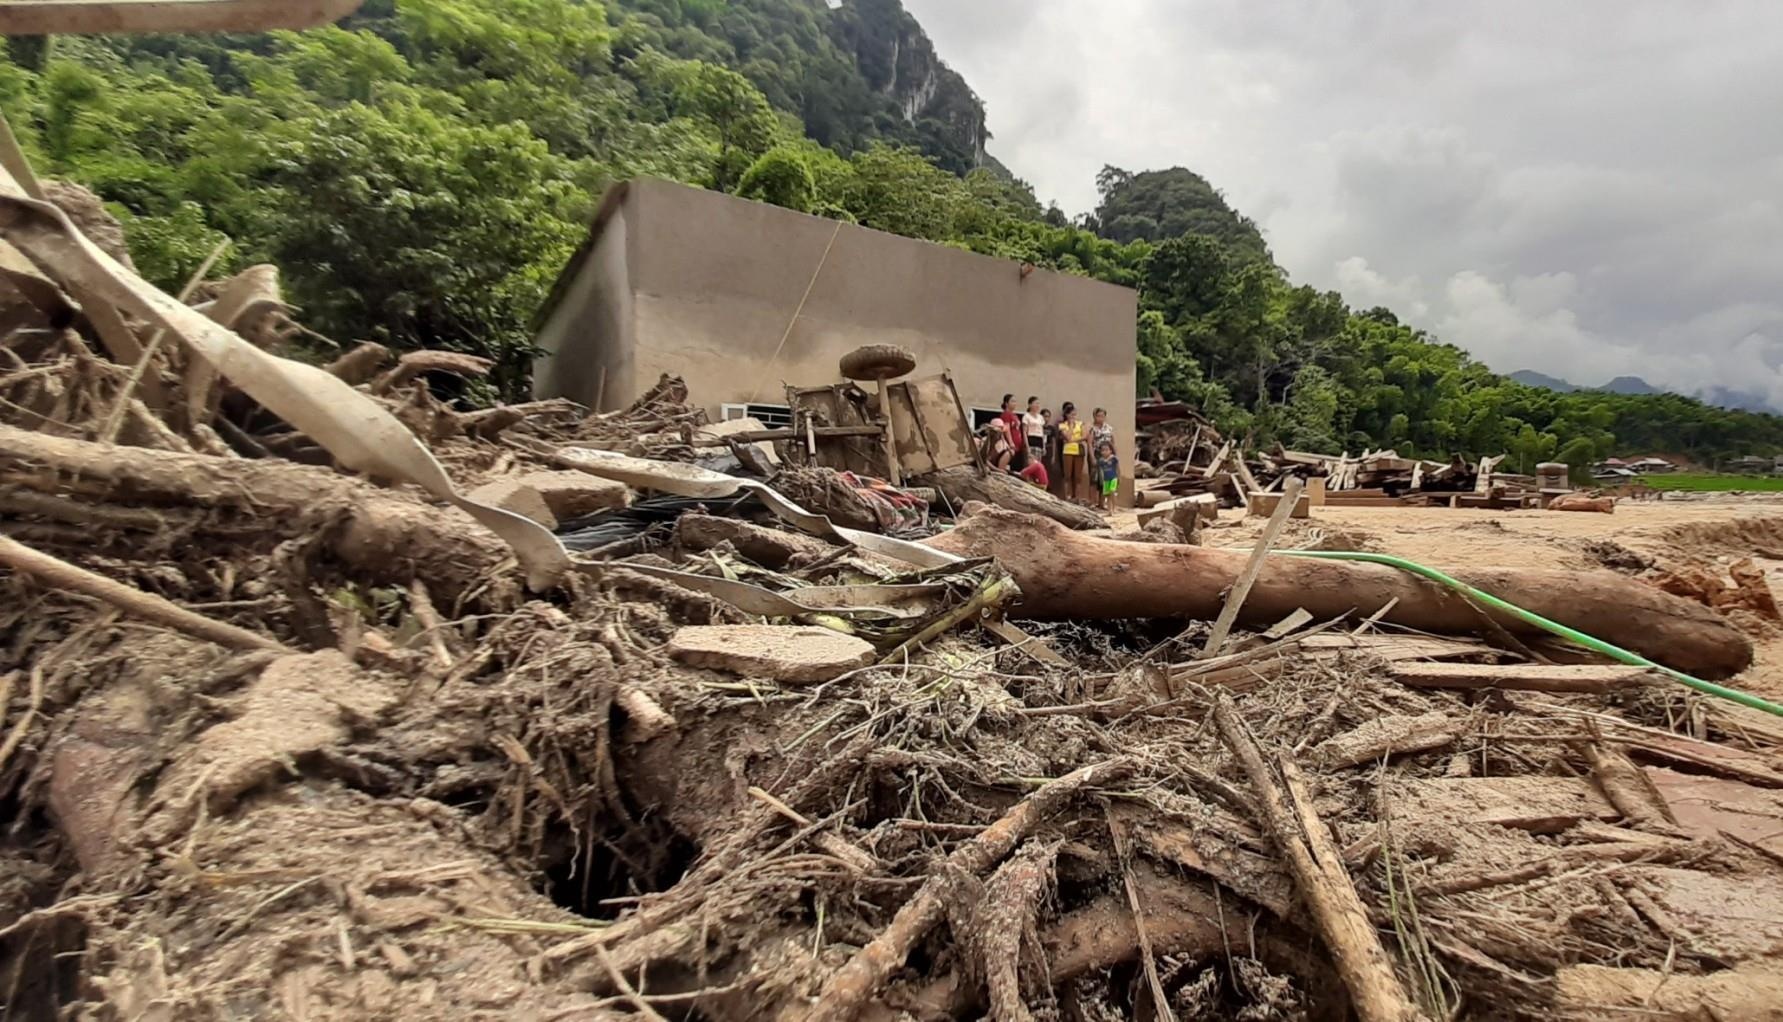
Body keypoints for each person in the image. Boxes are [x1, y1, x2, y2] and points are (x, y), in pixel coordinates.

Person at [1057, 402, 1088, 504]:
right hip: (1068, 451)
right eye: (1071, 415)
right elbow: (1067, 437)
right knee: (1067, 476)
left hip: (1079, 450)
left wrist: (1073, 440)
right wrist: (1070, 425)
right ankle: (1067, 497)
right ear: (1067, 415)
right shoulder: (1063, 425)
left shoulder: (1080, 423)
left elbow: (1084, 436)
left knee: (1078, 476)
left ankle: (1077, 497)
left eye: (1074, 414)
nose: (1073, 417)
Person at [1088, 407, 1116, 508]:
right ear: (1094, 416)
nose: (1100, 418)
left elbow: (1112, 442)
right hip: (1097, 454)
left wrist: (1114, 455)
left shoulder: (1109, 428)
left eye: (1103, 416)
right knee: (1094, 479)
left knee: (1105, 479)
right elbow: (1090, 443)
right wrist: (1092, 457)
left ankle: (1101, 503)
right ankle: (1092, 502)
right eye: (1098, 416)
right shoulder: (1092, 428)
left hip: (1107, 456)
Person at [1095, 441, 1119, 510]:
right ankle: (1110, 510)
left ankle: (1115, 507)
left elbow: (1117, 468)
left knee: (1112, 491)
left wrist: (1119, 477)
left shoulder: (1114, 459)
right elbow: (1101, 470)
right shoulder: (1101, 461)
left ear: (1110, 451)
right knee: (1107, 495)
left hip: (1113, 478)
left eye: (1106, 450)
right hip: (1106, 480)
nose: (1105, 452)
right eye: (1103, 450)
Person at [1022, 396, 1045, 462]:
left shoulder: (1040, 417)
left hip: (1039, 441)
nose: (1037, 405)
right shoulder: (1026, 416)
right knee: (1030, 463)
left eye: (1038, 404)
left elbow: (1042, 432)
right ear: (1030, 405)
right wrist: (1027, 446)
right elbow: (1024, 432)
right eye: (1035, 403)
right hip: (1031, 441)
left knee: (1038, 463)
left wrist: (1043, 446)